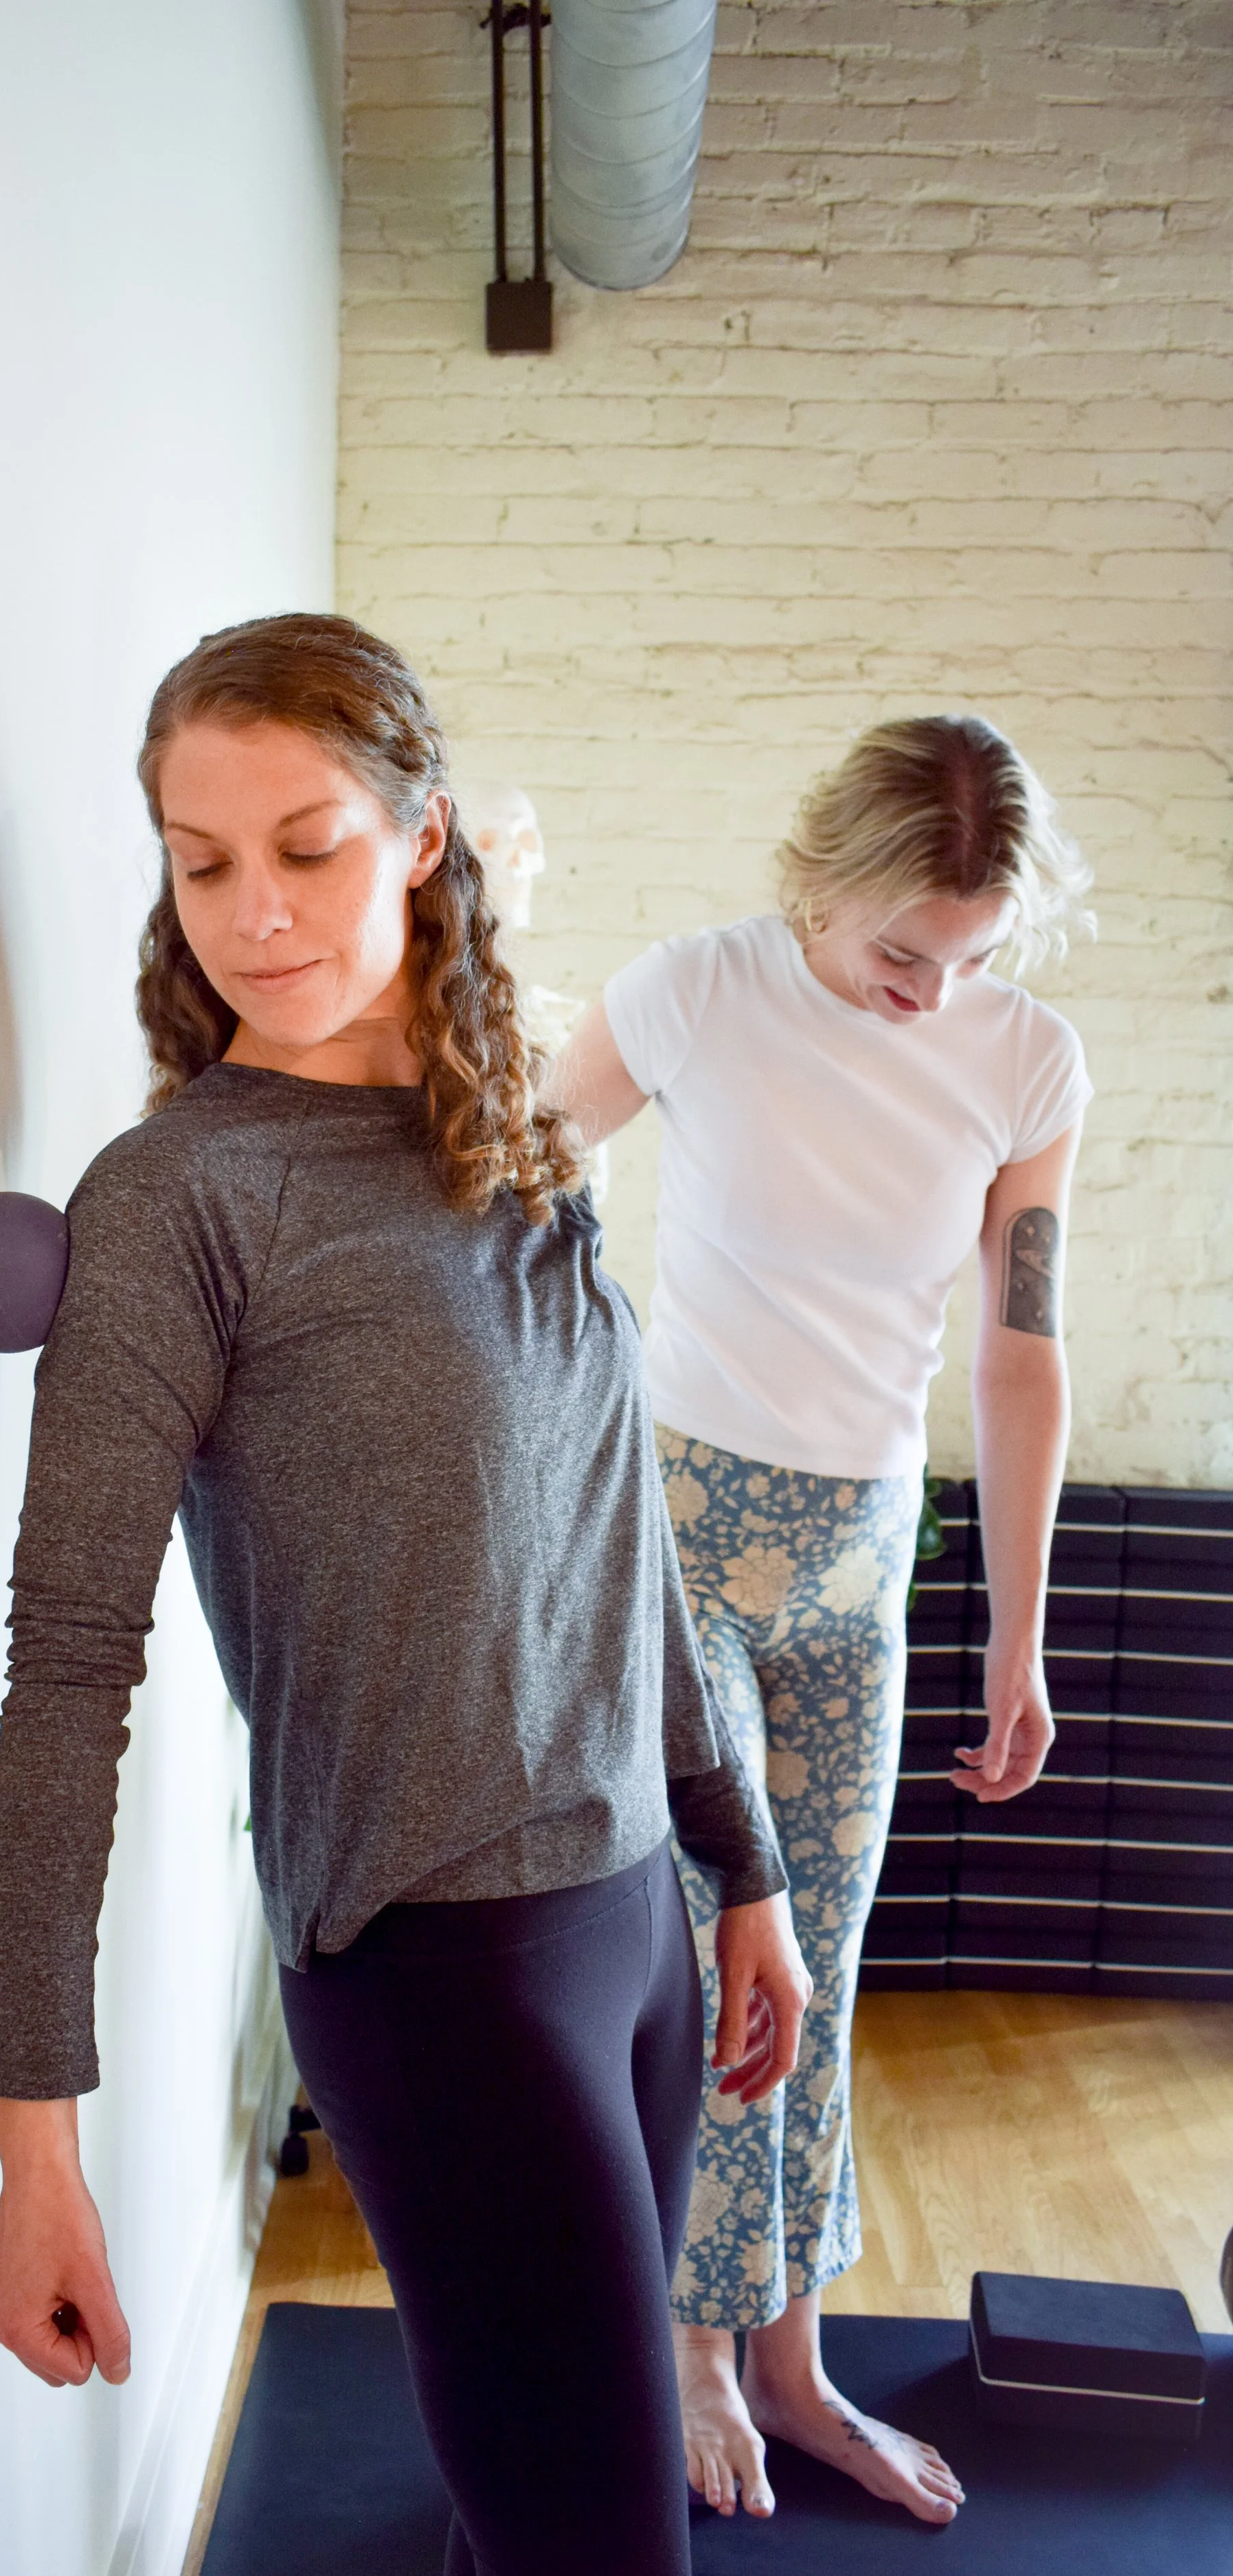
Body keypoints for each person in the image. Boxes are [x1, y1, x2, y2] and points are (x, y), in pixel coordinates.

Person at [0, 613, 812, 2576]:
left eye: (307, 843)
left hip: (630, 1931)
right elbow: (67, 1669)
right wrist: (37, 2143)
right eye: (202, 861)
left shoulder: (510, 1146)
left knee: (532, 2519)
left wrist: (739, 1858)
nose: (252, 910)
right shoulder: (179, 1199)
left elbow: (624, 1541)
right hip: (441, 1973)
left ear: (421, 836)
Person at [547, 714, 1095, 2527]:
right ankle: (687, 2351)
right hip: (677, 1529)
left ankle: (790, 2360)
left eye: (972, 958)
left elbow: (1018, 1357)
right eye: (900, 955)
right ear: (825, 886)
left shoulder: (1025, 1065)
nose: (934, 996)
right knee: (715, 1952)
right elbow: (505, 1174)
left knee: (822, 1967)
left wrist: (1013, 1641)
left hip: (868, 1548)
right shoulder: (694, 993)